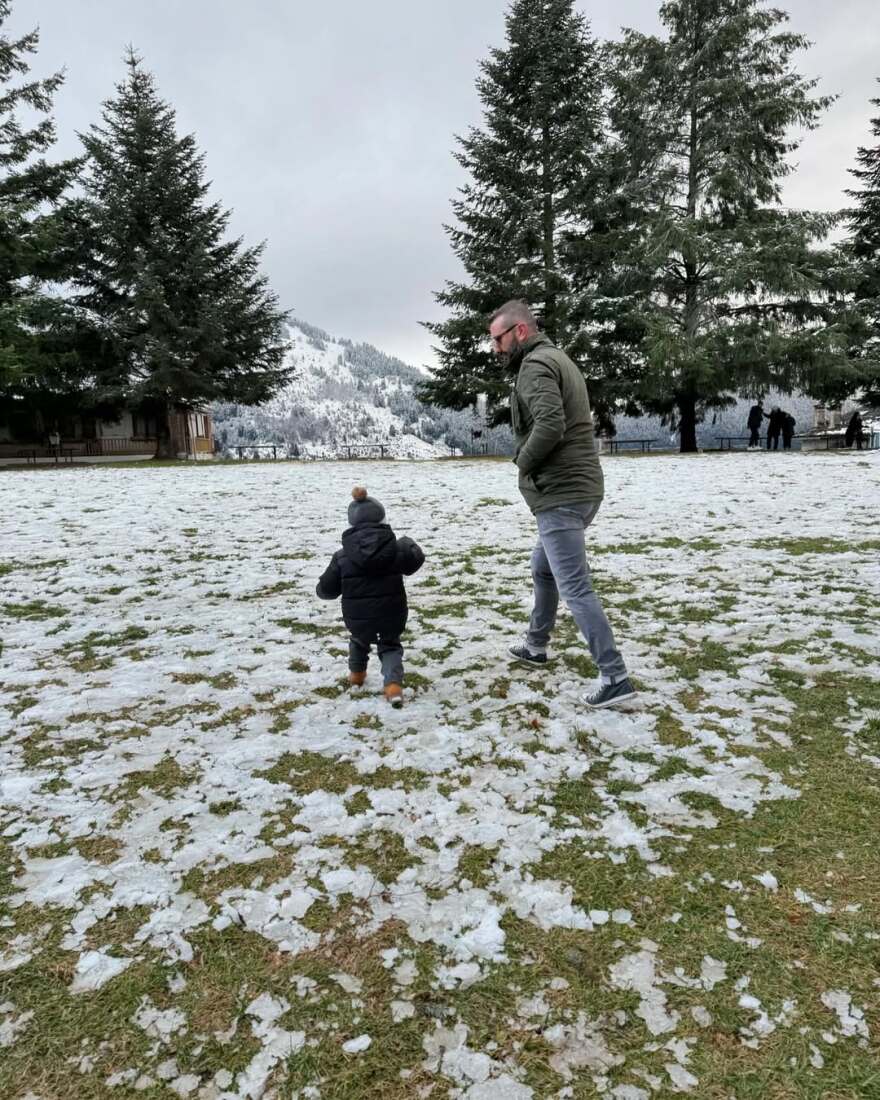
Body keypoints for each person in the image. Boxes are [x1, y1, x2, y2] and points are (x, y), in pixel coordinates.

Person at [489, 298, 635, 710]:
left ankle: (615, 676)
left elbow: (551, 425)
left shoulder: (534, 366)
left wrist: (523, 462)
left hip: (562, 491)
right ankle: (536, 644)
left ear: (519, 331)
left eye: (498, 340)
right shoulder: (556, 357)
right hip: (581, 488)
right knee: (543, 567)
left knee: (575, 585)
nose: (495, 349)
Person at [316, 486, 424, 707]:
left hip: (358, 618)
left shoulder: (342, 557)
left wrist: (321, 589)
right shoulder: (396, 549)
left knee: (358, 640)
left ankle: (356, 675)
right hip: (391, 614)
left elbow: (327, 590)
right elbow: (416, 560)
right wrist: (409, 543)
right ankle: (393, 686)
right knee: (390, 645)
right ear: (383, 520)